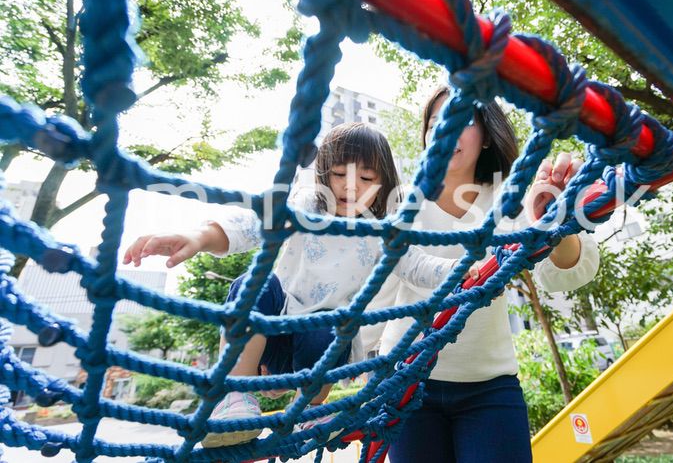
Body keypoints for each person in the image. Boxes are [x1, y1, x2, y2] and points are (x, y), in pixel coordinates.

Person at [124, 122, 482, 448]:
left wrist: (458, 268)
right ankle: (236, 398)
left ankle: (312, 411)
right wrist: (198, 237)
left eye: (367, 178)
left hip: (321, 351)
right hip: (270, 334)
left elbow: (416, 263)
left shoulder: (380, 231)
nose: (351, 185)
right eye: (340, 173)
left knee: (333, 324)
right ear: (324, 175)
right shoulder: (305, 207)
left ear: (384, 185)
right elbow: (251, 223)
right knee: (254, 284)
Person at [377, 86, 600, 463]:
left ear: (485, 136)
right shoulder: (400, 202)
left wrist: (558, 222)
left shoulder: (509, 198)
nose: (444, 129)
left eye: (461, 119)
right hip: (405, 378)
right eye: (434, 122)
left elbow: (562, 275)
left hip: (487, 387)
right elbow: (377, 292)